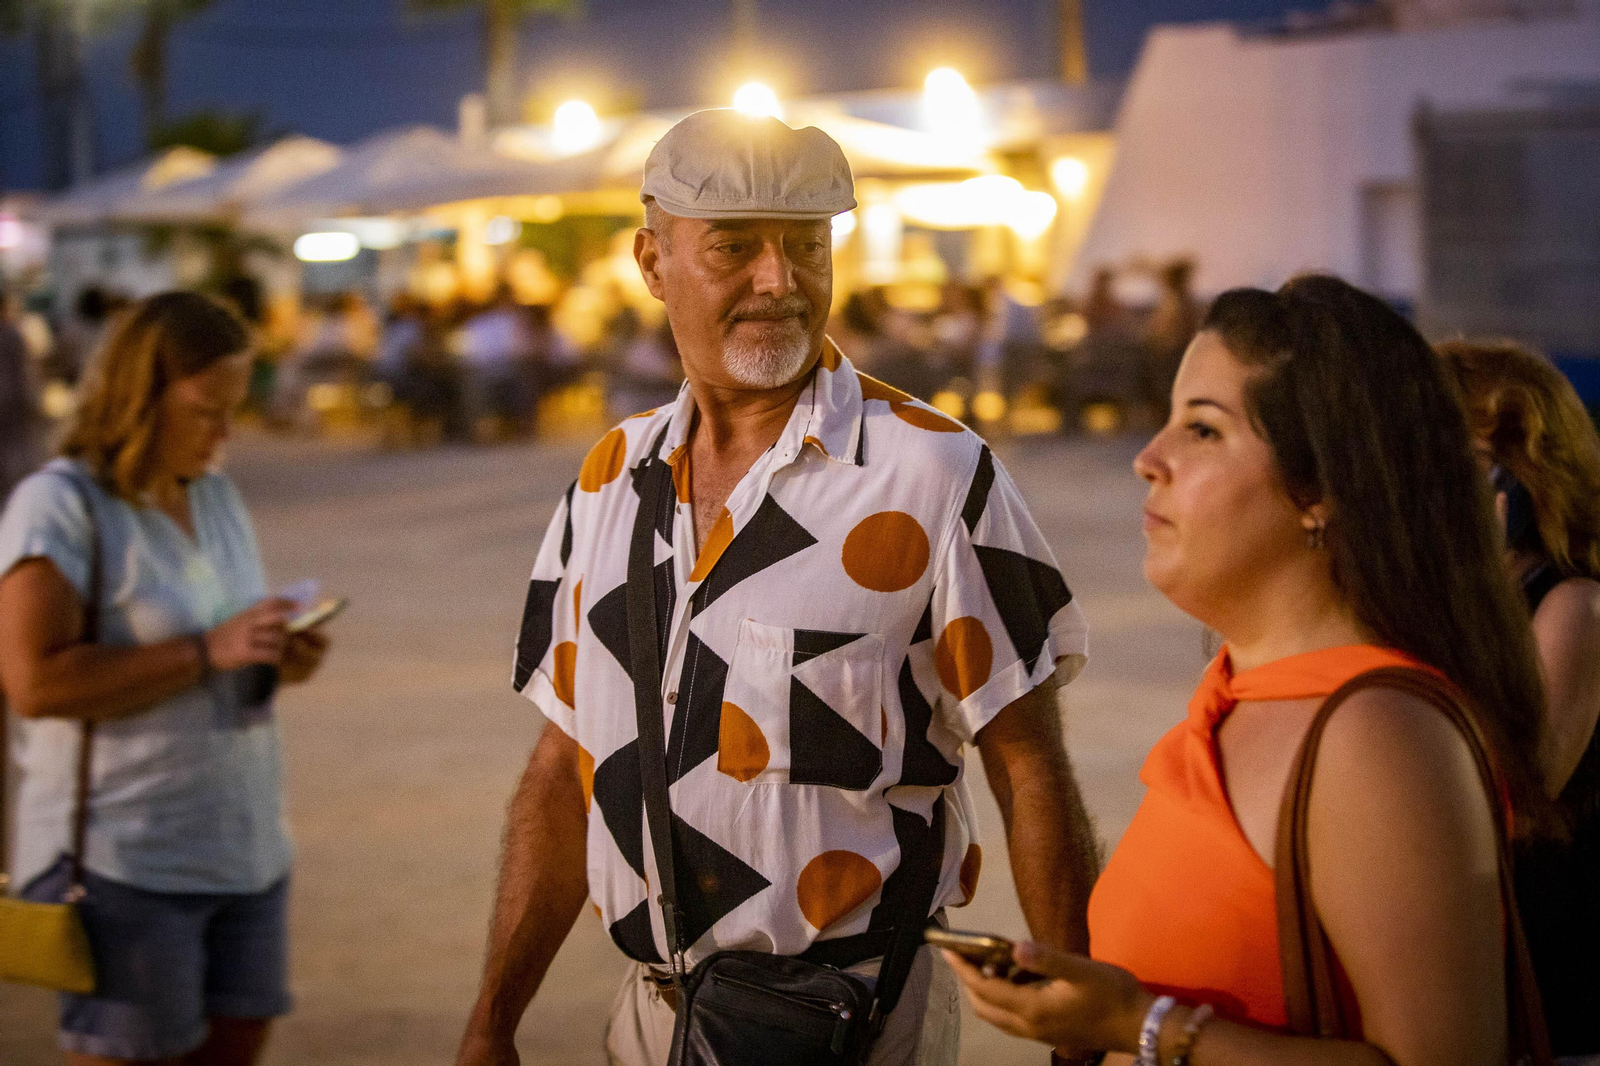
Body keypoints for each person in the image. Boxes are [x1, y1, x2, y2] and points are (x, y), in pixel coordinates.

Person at [456, 109, 1098, 1066]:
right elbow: (564, 768)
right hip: (654, 1017)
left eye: (806, 246)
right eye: (734, 248)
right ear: (651, 261)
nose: (779, 281)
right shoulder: (608, 480)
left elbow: (1027, 760)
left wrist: (1080, 1037)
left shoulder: (933, 474)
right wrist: (492, 1020)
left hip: (858, 1019)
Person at [945, 275, 1548, 1066]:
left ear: (1320, 488)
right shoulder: (1240, 690)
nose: (1146, 459)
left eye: (1202, 430)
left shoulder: (1376, 736)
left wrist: (1139, 1027)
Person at [0, 291, 331, 1066]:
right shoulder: (61, 505)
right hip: (125, 860)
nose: (224, 433)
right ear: (137, 393)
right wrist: (202, 653)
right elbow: (33, 684)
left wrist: (274, 652)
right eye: (205, 410)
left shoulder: (211, 492)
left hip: (243, 845)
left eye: (232, 409)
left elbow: (224, 635)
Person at [1439, 338, 1600, 1064]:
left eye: (1451, 462)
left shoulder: (1573, 607)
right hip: (1469, 963)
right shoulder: (1450, 598)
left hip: (1553, 981)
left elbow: (1516, 798)